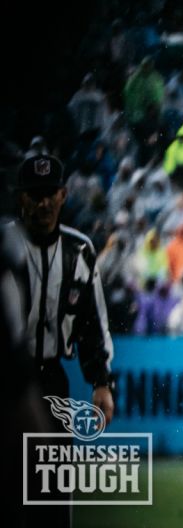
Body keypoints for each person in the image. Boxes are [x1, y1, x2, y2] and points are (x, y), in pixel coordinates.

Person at [2, 154, 115, 528]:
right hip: (6, 378)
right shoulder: (4, 244)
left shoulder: (79, 251)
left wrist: (101, 381)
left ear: (64, 195)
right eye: (35, 195)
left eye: (50, 193)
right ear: (21, 199)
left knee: (52, 489)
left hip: (51, 380)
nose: (43, 202)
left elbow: (91, 321)